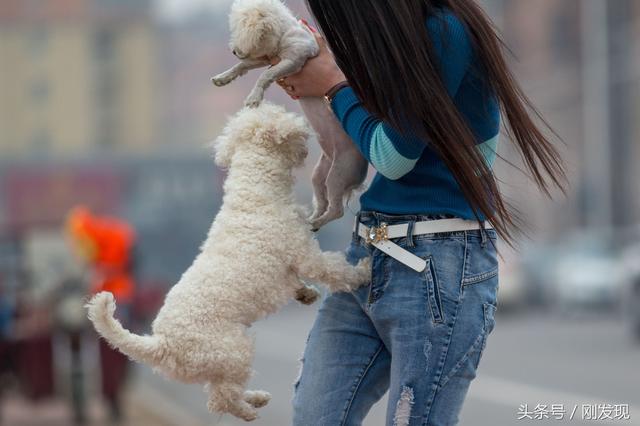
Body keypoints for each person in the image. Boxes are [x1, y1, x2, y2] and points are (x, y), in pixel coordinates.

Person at [273, 1, 567, 425]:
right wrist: (321, 83)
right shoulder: (402, 43)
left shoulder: (447, 32)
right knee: (314, 416)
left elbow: (393, 157)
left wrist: (334, 86)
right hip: (368, 256)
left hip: (439, 264)